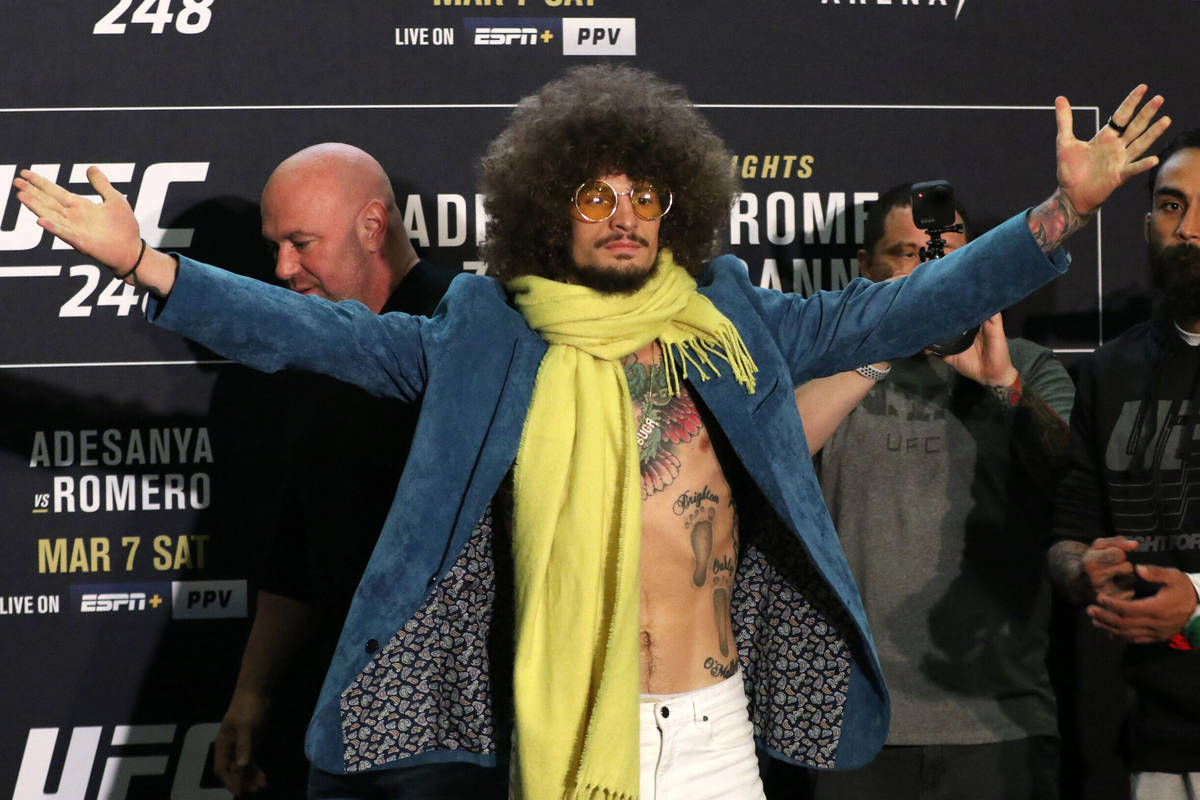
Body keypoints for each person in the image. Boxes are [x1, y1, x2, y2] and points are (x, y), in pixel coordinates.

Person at [13, 67, 1166, 799]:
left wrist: (1060, 213)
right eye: (596, 196)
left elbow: (904, 305)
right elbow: (312, 334)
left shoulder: (736, 320)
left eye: (645, 197)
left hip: (715, 728)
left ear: (679, 206)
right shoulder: (485, 328)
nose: (624, 217)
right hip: (563, 716)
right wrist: (147, 263)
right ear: (548, 205)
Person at [204, 143, 482, 798]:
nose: (282, 267)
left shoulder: (472, 330)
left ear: (372, 226)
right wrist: (251, 692)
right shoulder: (309, 351)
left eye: (301, 243)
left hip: (462, 724)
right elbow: (300, 538)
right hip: (338, 710)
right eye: (276, 245)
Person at [794, 185, 1073, 799]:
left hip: (999, 721)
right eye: (908, 253)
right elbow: (769, 468)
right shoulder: (826, 375)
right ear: (865, 268)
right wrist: (881, 343)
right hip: (854, 724)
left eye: (947, 253)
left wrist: (1003, 383)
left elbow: (1072, 481)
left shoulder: (1027, 364)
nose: (932, 270)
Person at [1048, 129, 1200, 799]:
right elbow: (1068, 534)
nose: (1190, 229)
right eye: (1171, 206)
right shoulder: (1111, 372)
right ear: (1146, 223)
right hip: (1157, 742)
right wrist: (1083, 570)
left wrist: (1198, 601)